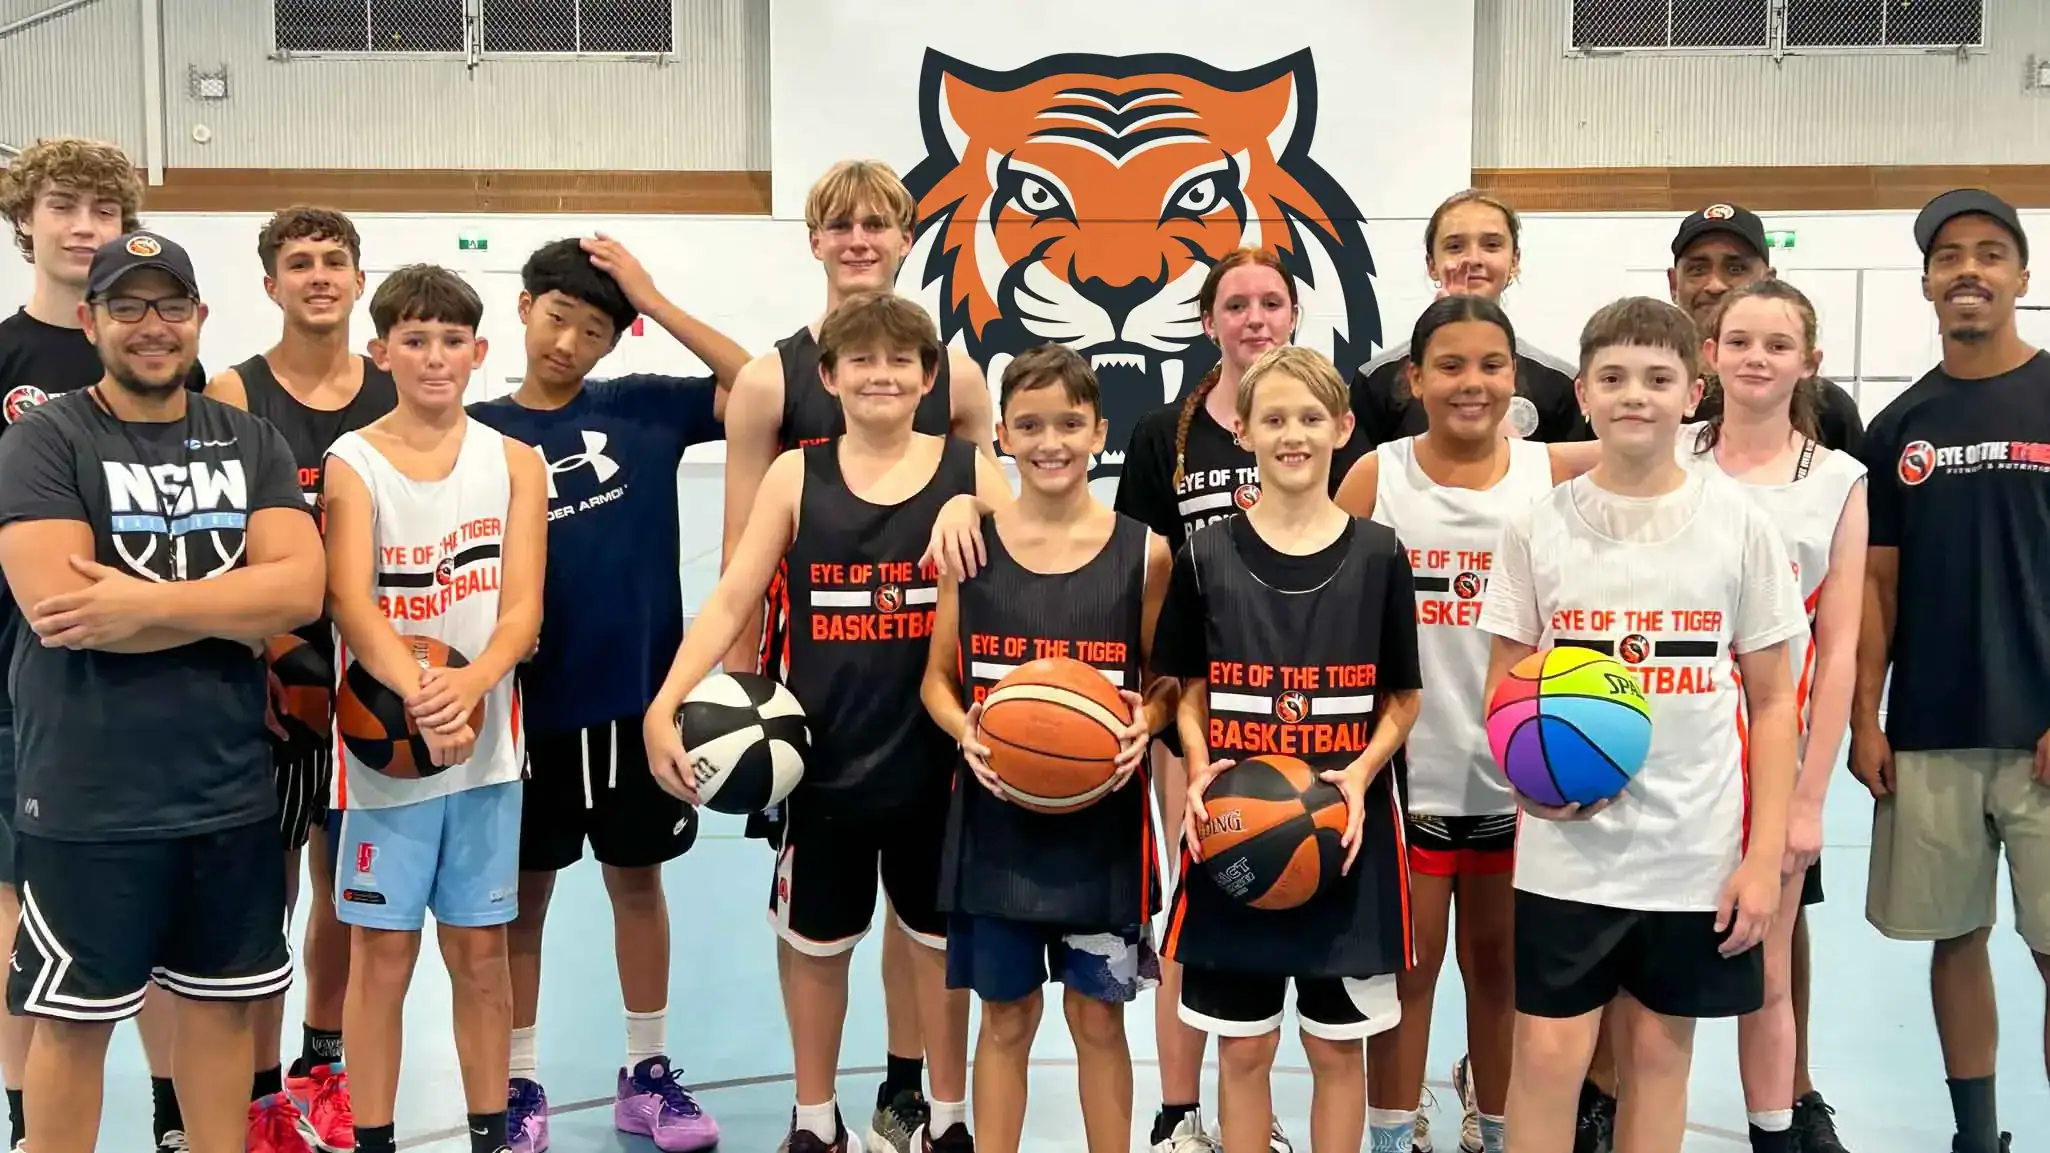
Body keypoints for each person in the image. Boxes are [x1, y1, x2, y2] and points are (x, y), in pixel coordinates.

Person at [644, 291, 1014, 1153]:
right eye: (861, 361)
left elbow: (1040, 539)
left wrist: (981, 508)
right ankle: (816, 1120)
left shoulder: (964, 468)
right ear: (830, 375)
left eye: (899, 362)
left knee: (935, 943)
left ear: (928, 378)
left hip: (938, 761)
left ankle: (948, 1117)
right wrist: (667, 701)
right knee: (816, 947)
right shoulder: (795, 473)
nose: (880, 374)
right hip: (822, 763)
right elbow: (734, 593)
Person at [0, 230, 325, 1153]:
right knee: (75, 1019)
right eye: (129, 307)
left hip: (226, 786)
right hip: (88, 794)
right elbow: (61, 607)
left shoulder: (248, 438)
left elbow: (299, 591)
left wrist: (138, 603)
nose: (153, 327)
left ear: (200, 318)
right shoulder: (45, 437)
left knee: (221, 1013)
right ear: (88, 319)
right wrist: (231, 608)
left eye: (171, 305)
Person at [1476, 296, 1804, 1153]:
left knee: (1661, 1056)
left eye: (1658, 379)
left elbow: (1774, 704)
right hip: (1567, 850)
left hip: (1692, 853)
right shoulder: (1537, 527)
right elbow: (1505, 685)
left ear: (1693, 392)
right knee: (1547, 1056)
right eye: (1614, 378)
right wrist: (1529, 781)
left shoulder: (1739, 527)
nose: (1636, 395)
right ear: (1581, 393)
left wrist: (1763, 860)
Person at [716, 161, 993, 1152]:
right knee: (823, 921)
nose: (860, 239)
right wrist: (731, 695)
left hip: (927, 688)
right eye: (841, 224)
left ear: (906, 237)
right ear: (814, 239)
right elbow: (737, 548)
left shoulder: (951, 375)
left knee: (924, 919)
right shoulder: (769, 378)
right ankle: (815, 1107)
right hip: (814, 695)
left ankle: (909, 1083)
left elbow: (986, 527)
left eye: (879, 223)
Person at [467, 234, 745, 1153]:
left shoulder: (642, 410)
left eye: (593, 328)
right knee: (523, 900)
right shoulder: (476, 430)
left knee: (638, 885)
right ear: (522, 308)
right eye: (557, 318)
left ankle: (647, 1070)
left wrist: (652, 299)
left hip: (639, 710)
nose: (568, 342)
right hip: (525, 714)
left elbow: (756, 387)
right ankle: (516, 1080)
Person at [1333, 295, 1601, 1153]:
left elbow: (1677, 442)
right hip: (1405, 772)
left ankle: (1494, 1129)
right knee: (1406, 973)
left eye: (1491, 364)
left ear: (1516, 378)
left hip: (1522, 775)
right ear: (1413, 379)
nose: (1471, 382)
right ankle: (1389, 1135)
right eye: (1449, 365)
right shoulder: (1379, 476)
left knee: (1499, 973)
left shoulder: (1551, 472)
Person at [1158, 344, 1420, 1153]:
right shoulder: (1203, 554)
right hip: (1238, 831)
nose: (1293, 434)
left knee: (1338, 1050)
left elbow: (1404, 696)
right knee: (1244, 1049)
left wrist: (1362, 775)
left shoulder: (1380, 555)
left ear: (1344, 426)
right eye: (1274, 418)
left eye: (1311, 418)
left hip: (1342, 839)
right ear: (1243, 430)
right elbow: (1181, 684)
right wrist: (1200, 763)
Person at [1110, 246, 1342, 1153]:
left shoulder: (1318, 423)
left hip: (1310, 700)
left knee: (1294, 885)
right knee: (1198, 894)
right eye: (1235, 304)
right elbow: (1144, 572)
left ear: (1292, 316)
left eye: (1271, 302)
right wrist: (1157, 702)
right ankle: (1177, 1111)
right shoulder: (1164, 432)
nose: (1254, 317)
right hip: (1200, 701)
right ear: (1209, 322)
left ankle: (1258, 1102)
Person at [0, 139, 202, 1153]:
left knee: (169, 928)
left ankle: (175, 1119)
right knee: (20, 923)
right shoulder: (6, 364)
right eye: (63, 206)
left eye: (103, 210)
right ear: (24, 218)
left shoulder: (166, 357)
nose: (83, 226)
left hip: (168, 691)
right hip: (27, 685)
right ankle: (32, 1125)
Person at [920, 344, 1173, 1153]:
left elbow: (1168, 682)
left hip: (1101, 832)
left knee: (1099, 1018)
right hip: (996, 833)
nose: (1050, 440)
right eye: (1029, 425)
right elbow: (935, 679)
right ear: (1001, 435)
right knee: (1005, 1018)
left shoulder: (1145, 551)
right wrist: (966, 729)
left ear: (1101, 431)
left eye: (1069, 422)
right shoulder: (972, 548)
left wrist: (1149, 721)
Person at [322, 265, 545, 1153]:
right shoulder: (354, 460)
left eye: (453, 340)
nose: (434, 356)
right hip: (386, 758)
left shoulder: (514, 460)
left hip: (487, 751)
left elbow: (523, 607)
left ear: (480, 351)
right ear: (380, 352)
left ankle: (490, 1132)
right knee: (381, 961)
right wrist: (421, 690)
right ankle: (374, 1138)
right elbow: (349, 598)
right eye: (413, 339)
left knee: (481, 956)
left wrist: (474, 681)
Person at [1850, 189, 2042, 1153]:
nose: (1970, 268)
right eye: (1950, 255)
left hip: (2043, 731)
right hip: (1929, 729)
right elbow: (1875, 589)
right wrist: (1864, 719)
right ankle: (1978, 1139)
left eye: (1991, 253)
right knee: (1954, 941)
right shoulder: (1898, 428)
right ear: (1926, 282)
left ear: (2020, 275)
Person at [204, 204, 397, 1153]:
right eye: (298, 261)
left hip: (373, 680)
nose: (319, 275)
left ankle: (325, 1066)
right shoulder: (233, 393)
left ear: (360, 281)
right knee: (263, 889)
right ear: (271, 284)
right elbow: (216, 548)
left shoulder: (399, 388)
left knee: (345, 886)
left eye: (335, 261)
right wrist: (282, 654)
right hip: (267, 684)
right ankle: (257, 1088)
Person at [1679, 278, 1867, 1153]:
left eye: (1778, 344)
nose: (1757, 357)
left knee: (1769, 972)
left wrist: (1806, 800)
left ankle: (1776, 1133)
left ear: (1809, 363)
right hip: (1663, 754)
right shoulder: (1666, 452)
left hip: (1768, 759)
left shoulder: (1838, 479)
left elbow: (1839, 658)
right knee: (1650, 973)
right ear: (1708, 355)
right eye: (1740, 340)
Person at [1349, 189, 1587, 457]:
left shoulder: (1559, 383)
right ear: (1431, 264)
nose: (1473, 259)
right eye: (1455, 246)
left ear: (1514, 261)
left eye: (1492, 245)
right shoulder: (1376, 381)